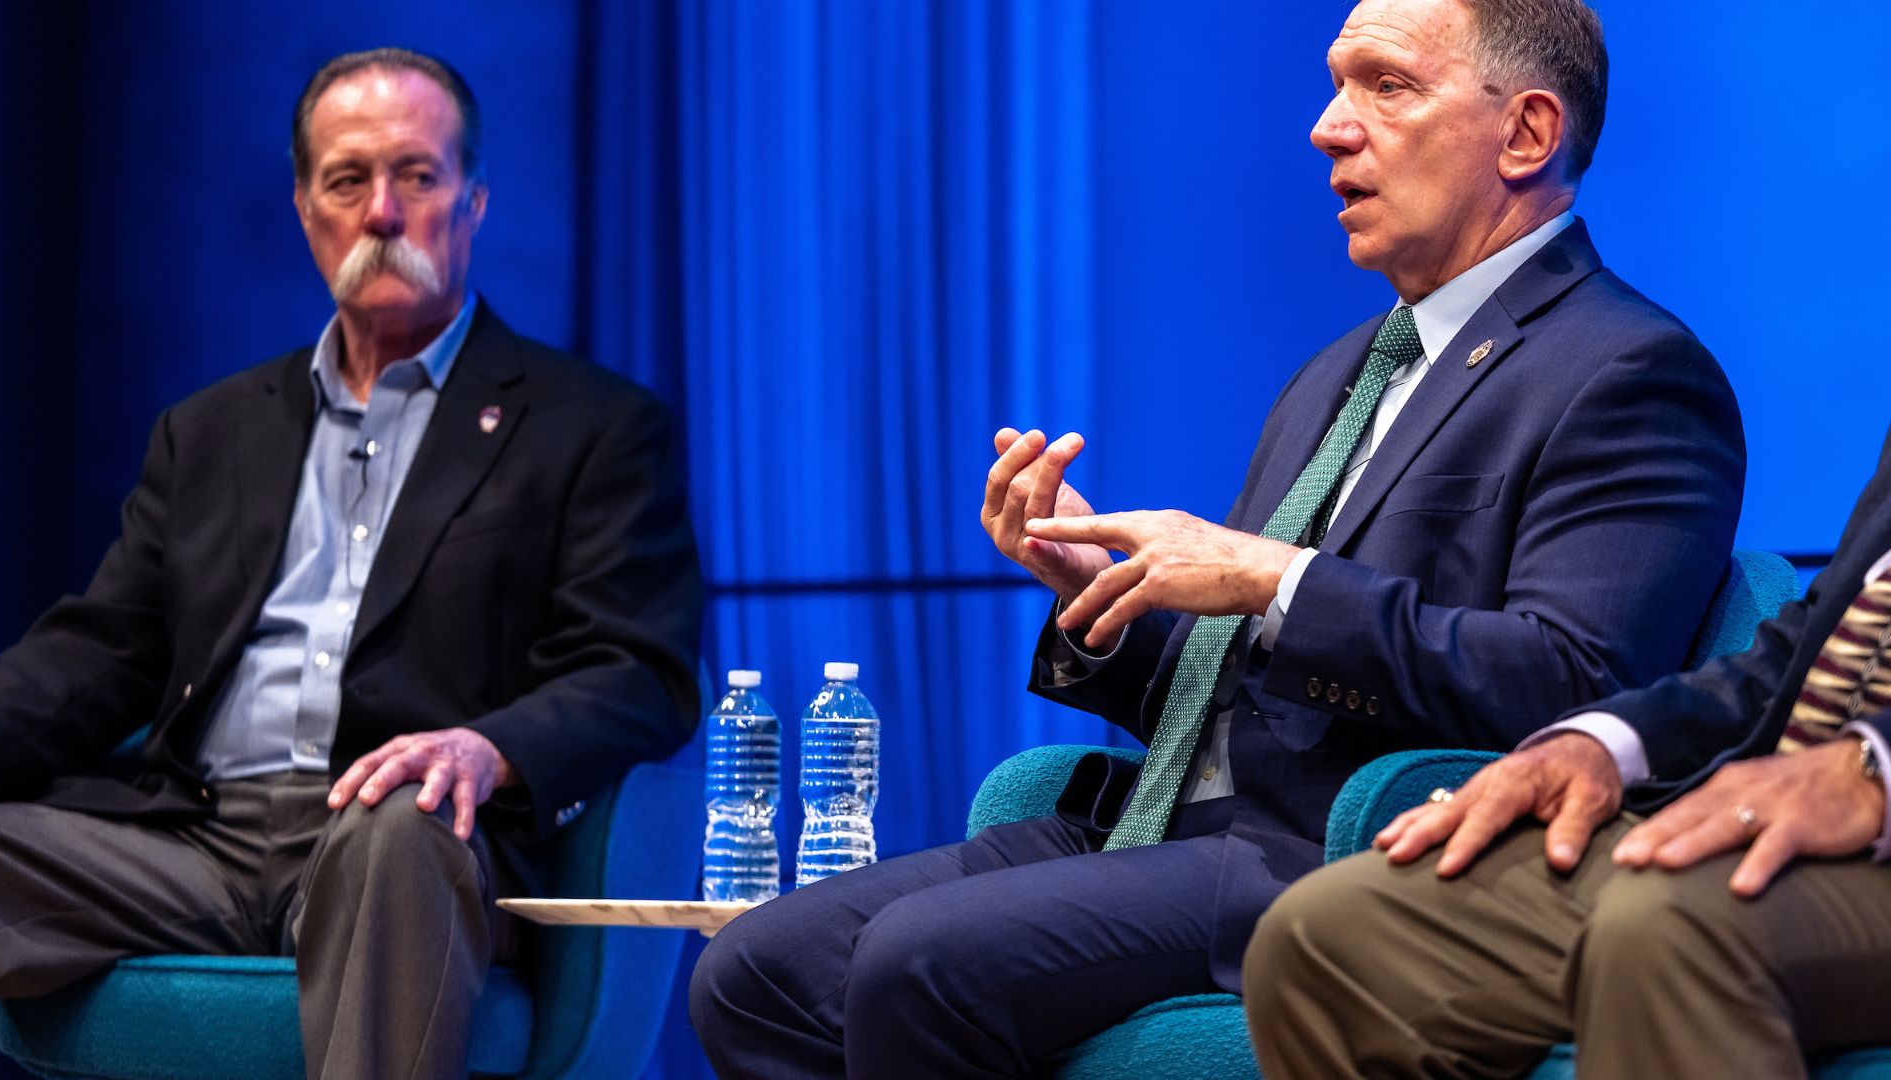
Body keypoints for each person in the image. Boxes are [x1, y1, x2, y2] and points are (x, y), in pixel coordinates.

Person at [689, 1, 1744, 1076]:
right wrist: (1094, 600)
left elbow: (1577, 684)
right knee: (756, 971)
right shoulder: (1339, 371)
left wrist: (1276, 577)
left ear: (1525, 132)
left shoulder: (1627, 371)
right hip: (1167, 830)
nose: (1328, 127)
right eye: (1336, 85)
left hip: (1339, 855)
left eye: (1386, 86)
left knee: (919, 958)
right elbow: (1245, 692)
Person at [0, 48, 701, 1080]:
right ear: (309, 210)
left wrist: (488, 750)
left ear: (474, 201)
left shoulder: (592, 427)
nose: (384, 213)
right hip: (198, 842)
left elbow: (640, 670)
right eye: (349, 181)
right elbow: (106, 645)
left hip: (411, 839)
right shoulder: (212, 430)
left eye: (417, 175)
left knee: (396, 827)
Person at [1244, 432, 1891, 1078]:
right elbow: (1795, 651)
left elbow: (1561, 660)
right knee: (1327, 940)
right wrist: (1601, 743)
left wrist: (1870, 767)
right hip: (1761, 811)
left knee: (1668, 929)